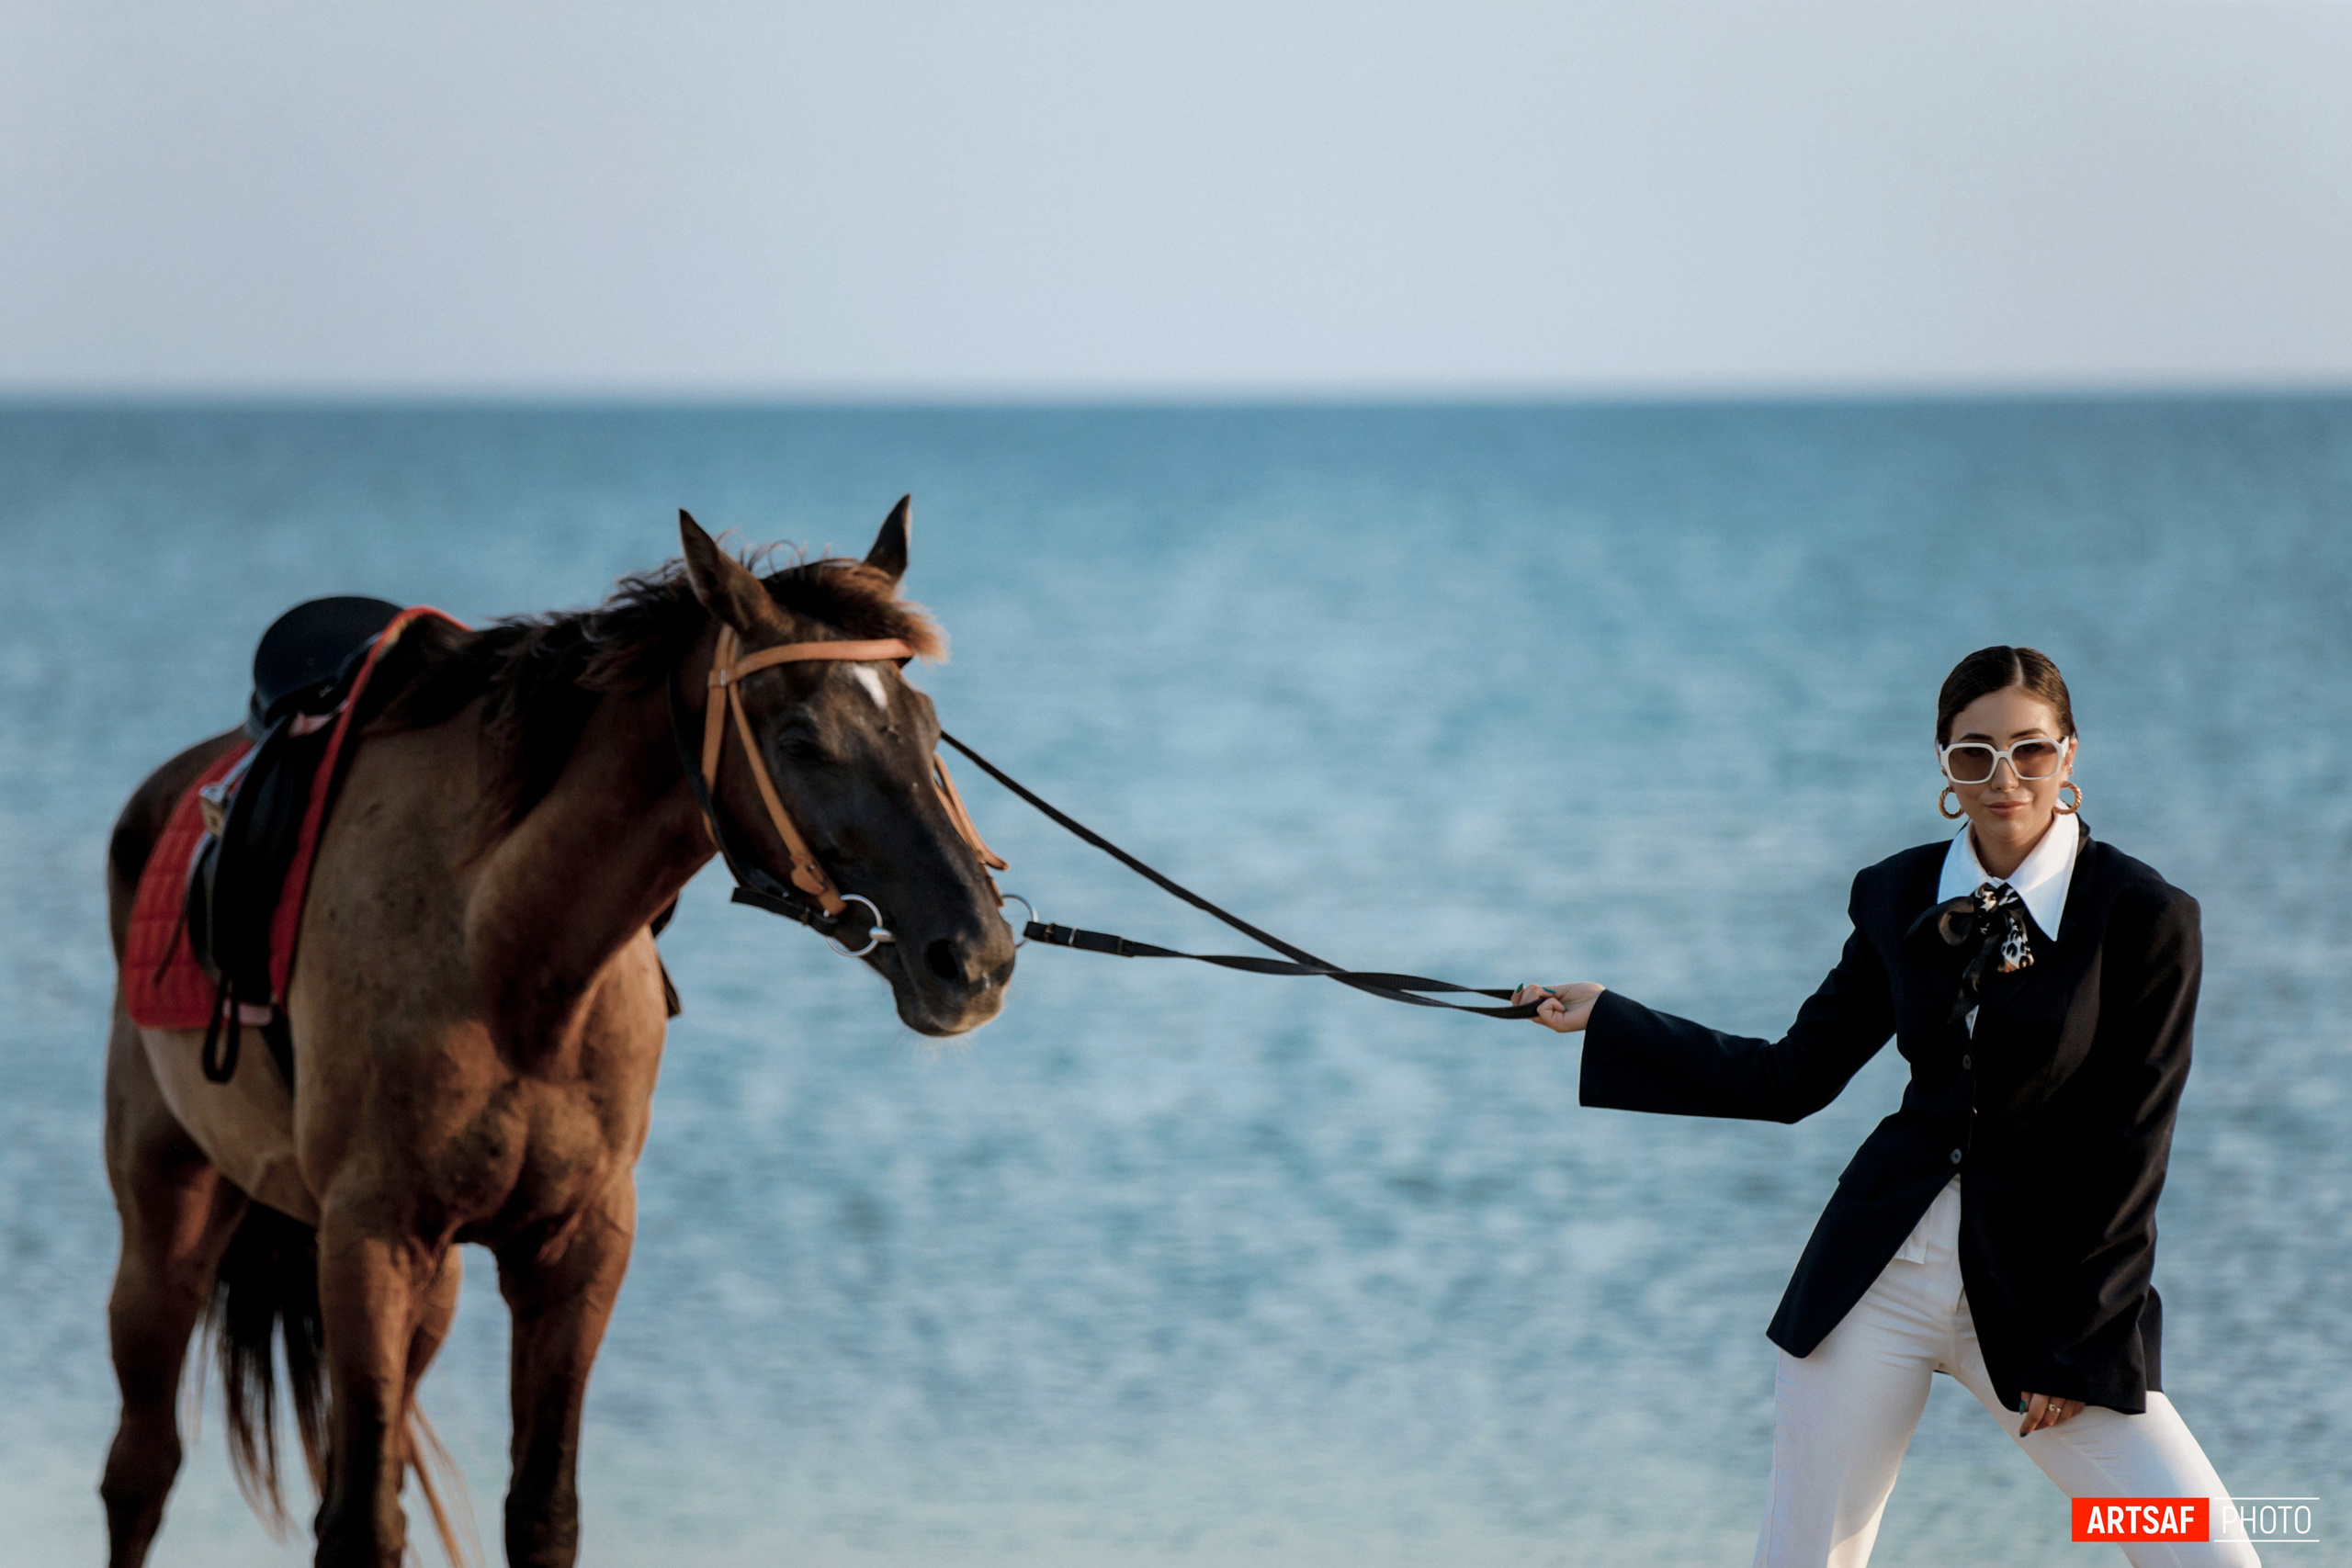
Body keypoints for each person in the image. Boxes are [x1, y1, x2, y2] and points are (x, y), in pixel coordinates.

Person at [1515, 646, 2256, 1568]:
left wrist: (2078, 1341)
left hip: (2039, 1311)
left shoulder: (2143, 912)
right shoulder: (1895, 894)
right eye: (1972, 754)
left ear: (2068, 757)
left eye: (2028, 751)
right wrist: (1610, 1021)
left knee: (2204, 1552)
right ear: (1943, 767)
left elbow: (2132, 1145)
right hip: (1872, 1284)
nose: (2003, 778)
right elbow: (1790, 1078)